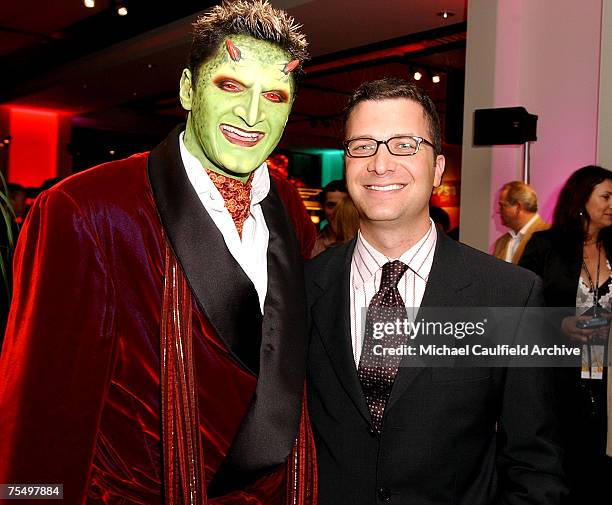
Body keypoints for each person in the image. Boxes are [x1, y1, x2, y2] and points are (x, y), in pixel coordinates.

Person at [0, 1, 317, 503]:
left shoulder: (289, 210)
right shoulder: (86, 207)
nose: (252, 114)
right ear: (189, 89)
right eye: (230, 86)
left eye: (274, 95)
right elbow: (41, 403)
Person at [305, 77, 566, 504]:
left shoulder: (508, 295)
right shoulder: (302, 288)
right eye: (363, 145)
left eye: (404, 145)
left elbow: (534, 461)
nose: (380, 164)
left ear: (438, 169)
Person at [519, 165, 612, 505]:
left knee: (597, 464)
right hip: (556, 375)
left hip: (604, 378)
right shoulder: (547, 246)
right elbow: (519, 307)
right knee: (560, 464)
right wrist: (560, 324)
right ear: (581, 199)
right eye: (605, 196)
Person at [493, 180, 549, 263]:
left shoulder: (548, 236)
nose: (498, 211)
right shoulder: (501, 242)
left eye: (502, 206)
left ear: (518, 207)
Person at [311, 179, 347, 256]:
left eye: (343, 206)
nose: (338, 211)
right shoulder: (313, 244)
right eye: (331, 205)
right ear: (322, 207)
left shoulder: (365, 242)